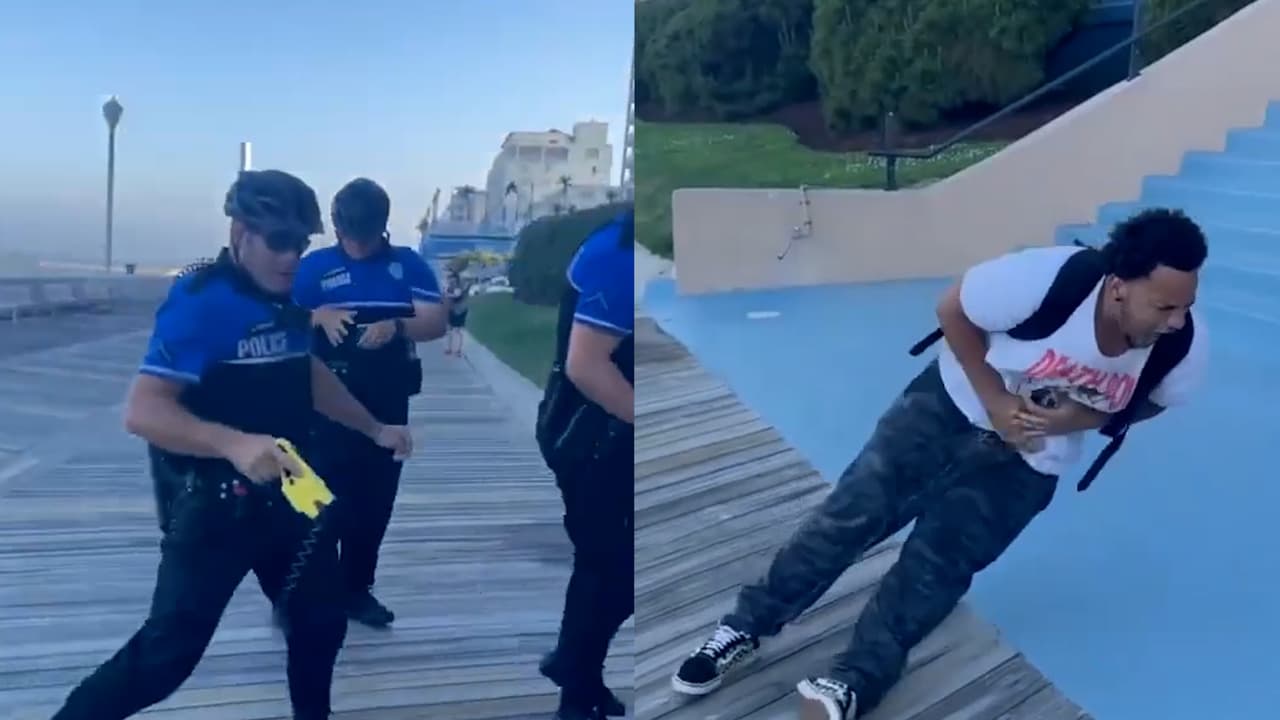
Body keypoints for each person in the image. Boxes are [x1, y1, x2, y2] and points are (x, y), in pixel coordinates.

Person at [669, 208, 1210, 720]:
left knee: (936, 570)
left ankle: (856, 680)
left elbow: (1152, 401)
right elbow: (954, 308)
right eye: (1164, 306)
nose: (1176, 320)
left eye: (1186, 305)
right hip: (942, 414)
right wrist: (995, 401)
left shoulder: (1182, 345)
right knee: (845, 520)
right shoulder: (1047, 278)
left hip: (1028, 465)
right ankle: (745, 626)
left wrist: (1079, 419)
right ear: (1119, 286)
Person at [51, 169, 414, 720]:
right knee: (166, 656)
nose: (291, 258)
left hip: (293, 485)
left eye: (301, 244)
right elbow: (143, 411)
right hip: (216, 504)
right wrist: (233, 443)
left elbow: (307, 374)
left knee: (321, 621)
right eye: (279, 242)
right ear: (240, 233)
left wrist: (374, 427)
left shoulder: (286, 297)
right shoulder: (201, 302)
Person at [291, 177, 447, 628]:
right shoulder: (314, 267)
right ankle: (304, 590)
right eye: (349, 237)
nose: (357, 247)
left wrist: (397, 326)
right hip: (321, 400)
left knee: (374, 501)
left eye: (366, 238)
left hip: (385, 397)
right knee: (314, 499)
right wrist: (316, 316)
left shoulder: (407, 264)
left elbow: (436, 321)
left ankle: (357, 589)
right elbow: (274, 316)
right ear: (337, 228)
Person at [535, 208, 635, 720]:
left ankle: (575, 667)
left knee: (603, 564)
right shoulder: (621, 257)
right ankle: (575, 692)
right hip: (590, 438)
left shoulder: (624, 242)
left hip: (601, 433)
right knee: (613, 568)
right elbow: (586, 365)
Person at [444, 270, 469, 356]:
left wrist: (447, 294)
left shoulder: (459, 286)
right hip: (453, 309)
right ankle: (449, 349)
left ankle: (459, 350)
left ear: (455, 278)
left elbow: (457, 295)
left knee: (457, 330)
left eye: (451, 278)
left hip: (460, 310)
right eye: (449, 278)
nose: (449, 280)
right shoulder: (450, 286)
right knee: (449, 329)